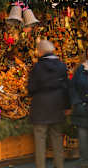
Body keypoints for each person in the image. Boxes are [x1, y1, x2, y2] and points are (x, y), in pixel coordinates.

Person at [28, 40, 69, 168]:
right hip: (57, 106)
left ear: (40, 52)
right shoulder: (62, 66)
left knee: (40, 140)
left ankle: (41, 166)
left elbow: (31, 88)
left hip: (40, 106)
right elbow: (66, 87)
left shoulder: (37, 67)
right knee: (57, 139)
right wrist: (67, 106)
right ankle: (59, 165)